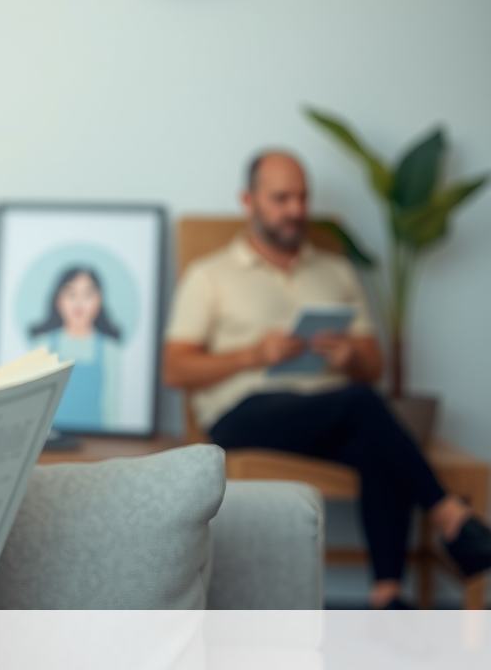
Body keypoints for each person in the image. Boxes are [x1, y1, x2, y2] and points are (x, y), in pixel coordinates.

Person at [163, 150, 491, 609]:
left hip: (326, 413)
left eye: (302, 197)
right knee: (361, 403)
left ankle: (387, 596)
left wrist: (351, 352)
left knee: (375, 447)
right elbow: (176, 368)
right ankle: (450, 514)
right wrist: (252, 354)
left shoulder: (335, 271)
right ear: (248, 200)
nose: (296, 210)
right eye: (281, 198)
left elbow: (372, 365)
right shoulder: (210, 275)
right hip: (243, 413)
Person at [29, 266, 121, 430]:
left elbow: (112, 404)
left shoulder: (109, 348)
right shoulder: (43, 344)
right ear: (58, 299)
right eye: (71, 294)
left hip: (99, 437)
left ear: (99, 300)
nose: (79, 303)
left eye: (87, 294)